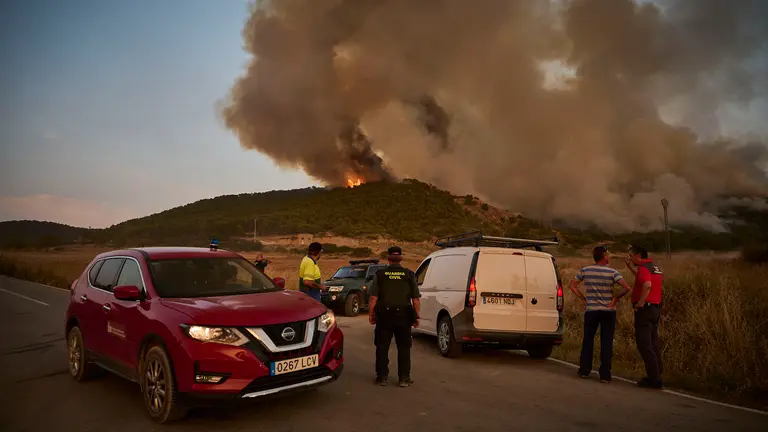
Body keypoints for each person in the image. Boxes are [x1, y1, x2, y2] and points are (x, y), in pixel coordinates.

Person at [570, 246, 632, 383]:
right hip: (608, 311)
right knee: (606, 341)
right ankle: (605, 374)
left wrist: (584, 298)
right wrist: (615, 298)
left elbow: (573, 285)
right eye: (607, 254)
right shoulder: (613, 272)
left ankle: (584, 370)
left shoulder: (585, 270)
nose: (609, 256)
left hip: (591, 309)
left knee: (588, 339)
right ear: (604, 256)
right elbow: (626, 287)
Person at [368, 246, 421, 387]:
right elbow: (415, 299)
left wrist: (371, 314)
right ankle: (404, 378)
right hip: (403, 315)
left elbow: (373, 297)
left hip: (384, 315)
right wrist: (416, 317)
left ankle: (382, 377)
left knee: (382, 346)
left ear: (388, 258)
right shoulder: (408, 274)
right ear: (401, 258)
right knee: (404, 347)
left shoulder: (380, 274)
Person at [625, 244, 664, 389]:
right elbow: (642, 279)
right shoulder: (653, 268)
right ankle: (658, 373)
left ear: (638, 255)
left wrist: (640, 303)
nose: (630, 258)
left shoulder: (643, 269)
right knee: (653, 342)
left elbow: (646, 285)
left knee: (644, 344)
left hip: (645, 309)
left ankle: (654, 379)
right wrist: (630, 267)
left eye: (631, 256)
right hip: (655, 308)